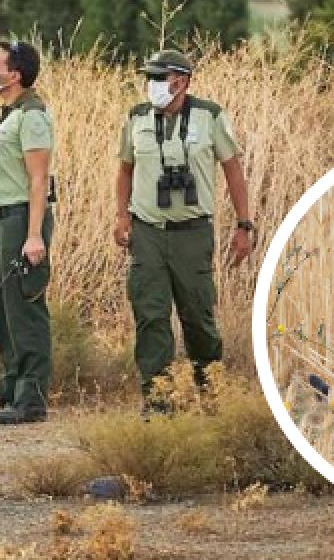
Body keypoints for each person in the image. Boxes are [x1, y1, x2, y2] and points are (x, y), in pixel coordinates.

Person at [113, 48, 255, 413]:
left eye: (160, 77)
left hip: (192, 231)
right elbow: (125, 169)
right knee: (150, 313)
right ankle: (158, 399)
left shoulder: (209, 116)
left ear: (183, 80)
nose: (153, 85)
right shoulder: (137, 117)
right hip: (147, 231)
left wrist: (244, 223)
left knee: (198, 315)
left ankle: (210, 391)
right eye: (150, 77)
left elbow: (233, 168)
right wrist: (121, 216)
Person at [0, 39, 55, 424]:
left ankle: (31, 399)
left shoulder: (32, 116)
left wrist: (34, 235)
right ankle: (10, 390)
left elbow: (38, 179)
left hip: (21, 219)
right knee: (3, 308)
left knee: (25, 308)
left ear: (15, 74)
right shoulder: (8, 113)